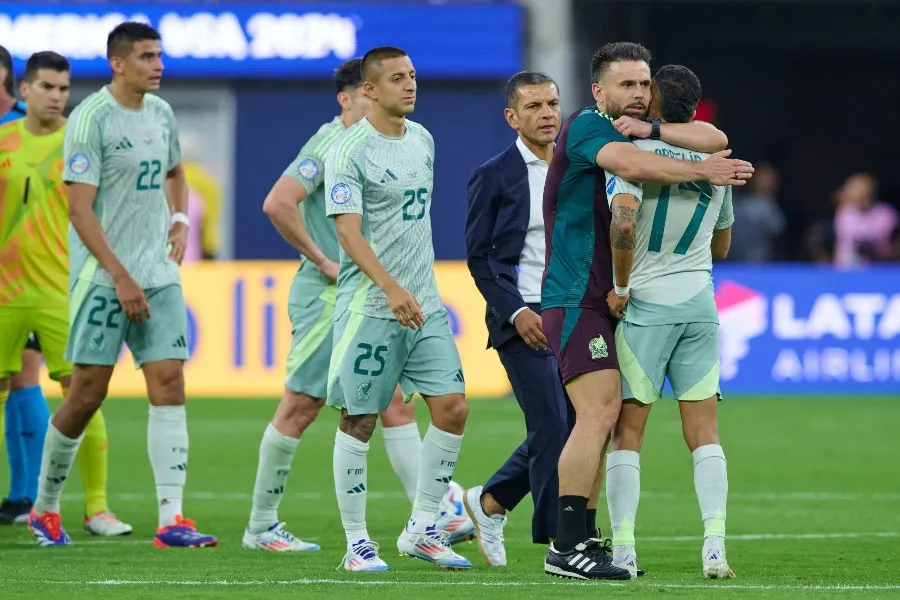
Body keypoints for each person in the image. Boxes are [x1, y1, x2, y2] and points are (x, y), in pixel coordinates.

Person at [540, 41, 753, 580]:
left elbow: (714, 138)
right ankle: (566, 545)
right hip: (578, 295)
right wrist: (704, 170)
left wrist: (662, 133)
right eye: (627, 85)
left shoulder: (637, 131)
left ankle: (588, 539)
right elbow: (635, 166)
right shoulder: (587, 126)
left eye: (643, 84)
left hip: (615, 299)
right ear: (598, 91)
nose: (637, 94)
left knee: (611, 419)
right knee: (599, 415)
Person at [244, 57, 472, 552]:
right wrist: (323, 260)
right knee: (302, 405)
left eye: (409, 79)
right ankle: (261, 525)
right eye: (380, 88)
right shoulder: (332, 144)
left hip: (388, 295)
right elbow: (278, 202)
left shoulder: (410, 139)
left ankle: (429, 519)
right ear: (350, 98)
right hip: (334, 295)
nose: (398, 92)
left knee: (395, 405)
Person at [27, 22, 217, 548]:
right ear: (118, 63)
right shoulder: (91, 119)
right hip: (104, 279)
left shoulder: (161, 113)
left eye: (159, 56)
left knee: (170, 384)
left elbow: (175, 172)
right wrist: (120, 276)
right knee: (86, 393)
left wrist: (180, 219)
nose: (159, 66)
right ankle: (45, 508)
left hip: (158, 274)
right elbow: (79, 210)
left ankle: (172, 520)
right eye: (147, 57)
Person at [325, 46, 471, 572]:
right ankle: (357, 544)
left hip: (424, 303)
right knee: (359, 418)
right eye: (396, 78)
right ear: (369, 89)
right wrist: (389, 287)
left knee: (452, 408)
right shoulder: (348, 151)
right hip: (372, 306)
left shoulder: (423, 139)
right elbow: (348, 233)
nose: (410, 85)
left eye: (412, 76)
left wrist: (410, 289)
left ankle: (423, 528)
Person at [603, 64, 736, 580]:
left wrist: (620, 286)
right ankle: (715, 546)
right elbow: (722, 246)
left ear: (653, 99)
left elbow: (623, 224)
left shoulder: (635, 154)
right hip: (699, 304)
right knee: (705, 433)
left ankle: (624, 548)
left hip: (646, 307)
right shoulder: (716, 161)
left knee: (627, 433)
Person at [0, 51, 130, 535]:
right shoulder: (3, 141)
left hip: (63, 292)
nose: (57, 96)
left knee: (84, 394)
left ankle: (97, 509)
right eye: (47, 87)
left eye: (63, 88)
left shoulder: (81, 141)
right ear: (25, 90)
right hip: (4, 295)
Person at [463, 70, 571, 567]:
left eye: (552, 103)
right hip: (523, 315)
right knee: (551, 422)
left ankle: (491, 503)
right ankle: (562, 540)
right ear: (512, 117)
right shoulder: (495, 175)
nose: (546, 113)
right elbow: (481, 259)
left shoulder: (576, 168)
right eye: (533, 106)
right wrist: (517, 311)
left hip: (573, 312)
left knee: (576, 424)